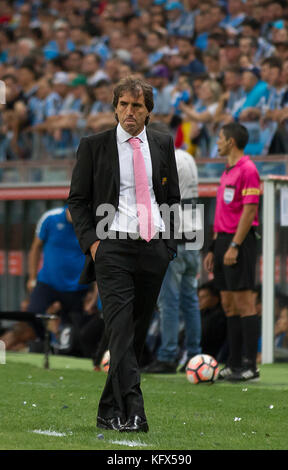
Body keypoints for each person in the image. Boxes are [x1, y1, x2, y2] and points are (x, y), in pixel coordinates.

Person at [68, 76, 180, 433]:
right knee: (118, 329)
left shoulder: (163, 143)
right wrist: (94, 244)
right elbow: (77, 200)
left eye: (137, 106)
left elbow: (173, 199)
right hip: (112, 247)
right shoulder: (94, 145)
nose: (129, 112)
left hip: (154, 249)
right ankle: (135, 409)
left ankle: (107, 408)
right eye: (123, 105)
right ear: (115, 107)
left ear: (148, 111)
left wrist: (171, 247)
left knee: (133, 332)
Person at [204, 122, 261, 382]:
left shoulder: (248, 170)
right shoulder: (227, 170)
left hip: (241, 241)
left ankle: (251, 365)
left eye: (219, 137)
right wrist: (214, 248)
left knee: (245, 302)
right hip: (223, 241)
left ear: (231, 142)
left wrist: (235, 246)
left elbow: (249, 211)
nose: (216, 142)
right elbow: (223, 212)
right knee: (228, 303)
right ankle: (234, 364)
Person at [143, 121, 201, 374]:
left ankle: (167, 355)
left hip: (175, 235)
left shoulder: (164, 158)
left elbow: (160, 196)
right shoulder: (187, 156)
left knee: (169, 300)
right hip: (194, 235)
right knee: (190, 299)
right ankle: (195, 354)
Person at [25, 205, 90, 349]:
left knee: (75, 329)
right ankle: (44, 341)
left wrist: (93, 290)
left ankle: (63, 349)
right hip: (48, 282)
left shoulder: (89, 223)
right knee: (32, 313)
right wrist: (32, 277)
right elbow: (35, 248)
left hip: (76, 287)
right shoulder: (50, 218)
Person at [197, 280, 227, 362]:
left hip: (209, 358)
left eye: (203, 297)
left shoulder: (219, 318)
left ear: (215, 298)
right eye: (198, 297)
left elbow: (203, 338)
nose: (199, 300)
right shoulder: (200, 314)